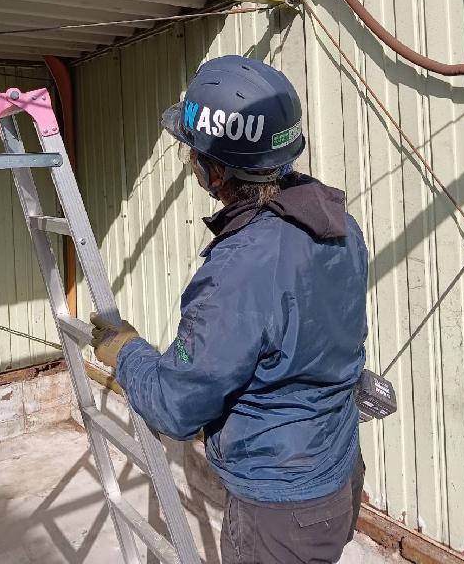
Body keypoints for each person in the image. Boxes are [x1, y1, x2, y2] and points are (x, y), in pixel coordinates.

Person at [91, 55, 368, 564]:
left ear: (216, 171)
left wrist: (126, 351)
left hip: (280, 511)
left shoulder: (238, 270)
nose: (189, 162)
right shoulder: (339, 225)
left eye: (193, 152)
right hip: (339, 468)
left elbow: (176, 407)